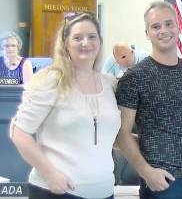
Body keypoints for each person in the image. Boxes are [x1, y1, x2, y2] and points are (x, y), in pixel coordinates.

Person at [9, 12, 121, 199]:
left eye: (92, 37)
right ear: (66, 44)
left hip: (104, 191)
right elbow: (19, 132)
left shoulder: (110, 84)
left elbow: (109, 136)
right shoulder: (50, 80)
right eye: (78, 38)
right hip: (58, 191)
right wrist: (50, 174)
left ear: (100, 42)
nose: (86, 43)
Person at [115, 0, 182, 199]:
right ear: (147, 34)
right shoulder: (134, 78)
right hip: (164, 184)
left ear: (178, 28)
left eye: (169, 24)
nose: (164, 30)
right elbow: (122, 133)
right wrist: (146, 172)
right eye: (155, 26)